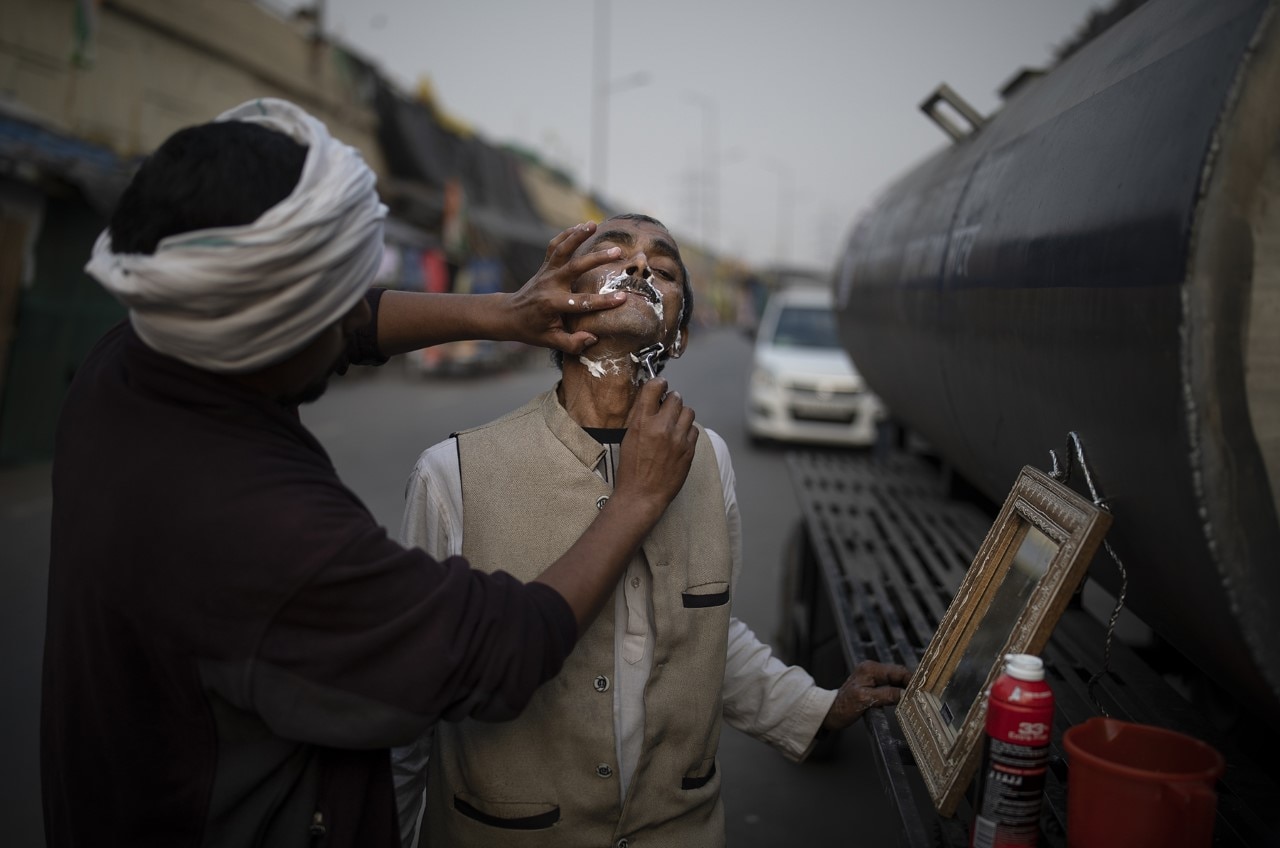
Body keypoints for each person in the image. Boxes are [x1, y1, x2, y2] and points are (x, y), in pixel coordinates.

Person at [40, 99, 701, 848]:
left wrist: (503, 313)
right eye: (333, 305)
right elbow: (495, 650)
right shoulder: (274, 532)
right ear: (274, 323)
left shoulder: (129, 361)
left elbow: (353, 324)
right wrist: (633, 503)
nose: (348, 324)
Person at [392, 213, 911, 847]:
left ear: (681, 334)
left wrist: (819, 708)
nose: (640, 267)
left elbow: (706, 633)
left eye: (662, 269)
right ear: (561, 308)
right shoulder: (453, 476)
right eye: (613, 256)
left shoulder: (709, 460)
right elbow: (406, 706)